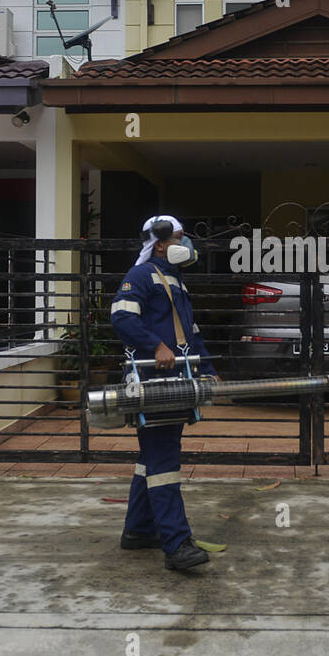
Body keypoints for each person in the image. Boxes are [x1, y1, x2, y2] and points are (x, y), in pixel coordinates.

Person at [109, 214, 220, 571]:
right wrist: (156, 346)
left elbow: (190, 331)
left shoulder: (174, 279)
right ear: (159, 243)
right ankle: (176, 544)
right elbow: (122, 318)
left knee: (152, 456)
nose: (186, 245)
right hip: (153, 381)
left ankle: (139, 531)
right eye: (179, 238)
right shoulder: (141, 276)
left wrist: (208, 368)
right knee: (164, 462)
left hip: (176, 381)